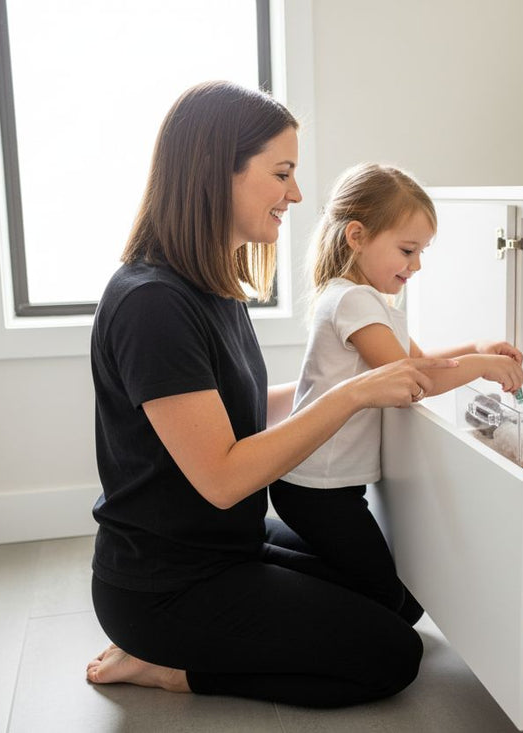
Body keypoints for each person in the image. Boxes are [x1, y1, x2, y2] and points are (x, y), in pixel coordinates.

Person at [85, 81, 461, 707]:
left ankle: (195, 647)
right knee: (392, 654)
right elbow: (224, 478)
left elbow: (236, 414)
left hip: (227, 545)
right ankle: (168, 666)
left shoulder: (210, 287)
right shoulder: (153, 303)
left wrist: (341, 385)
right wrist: (354, 394)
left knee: (403, 591)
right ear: (215, 172)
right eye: (282, 173)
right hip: (165, 585)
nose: (297, 194)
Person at [269, 163, 523, 623]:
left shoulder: (366, 300)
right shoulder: (353, 301)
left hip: (330, 485)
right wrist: (481, 366)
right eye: (408, 250)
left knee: (404, 597)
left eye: (422, 251)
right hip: (316, 487)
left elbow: (418, 360)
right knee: (393, 607)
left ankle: (274, 561)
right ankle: (262, 571)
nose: (417, 264)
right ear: (357, 236)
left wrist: (475, 347)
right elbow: (416, 380)